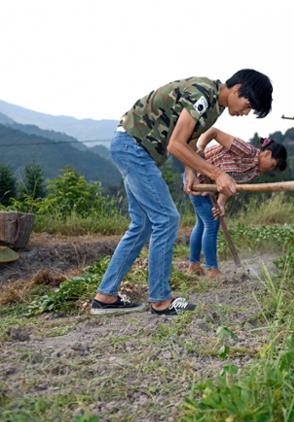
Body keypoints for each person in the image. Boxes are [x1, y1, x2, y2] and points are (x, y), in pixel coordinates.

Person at [91, 69, 273, 316]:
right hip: (134, 148)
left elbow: (187, 139)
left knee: (142, 225)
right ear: (237, 89)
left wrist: (191, 170)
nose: (245, 112)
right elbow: (175, 144)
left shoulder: (214, 105)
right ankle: (160, 300)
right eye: (248, 105)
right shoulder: (203, 95)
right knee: (166, 219)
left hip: (132, 147)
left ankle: (105, 297)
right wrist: (218, 174)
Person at [183, 127, 288, 277]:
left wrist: (220, 203)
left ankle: (194, 265)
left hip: (211, 188)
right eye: (273, 165)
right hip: (196, 177)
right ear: (267, 154)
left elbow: (230, 185)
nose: (271, 169)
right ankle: (212, 269)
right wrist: (200, 148)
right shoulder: (246, 150)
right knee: (211, 223)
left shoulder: (254, 172)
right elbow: (213, 132)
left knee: (202, 223)